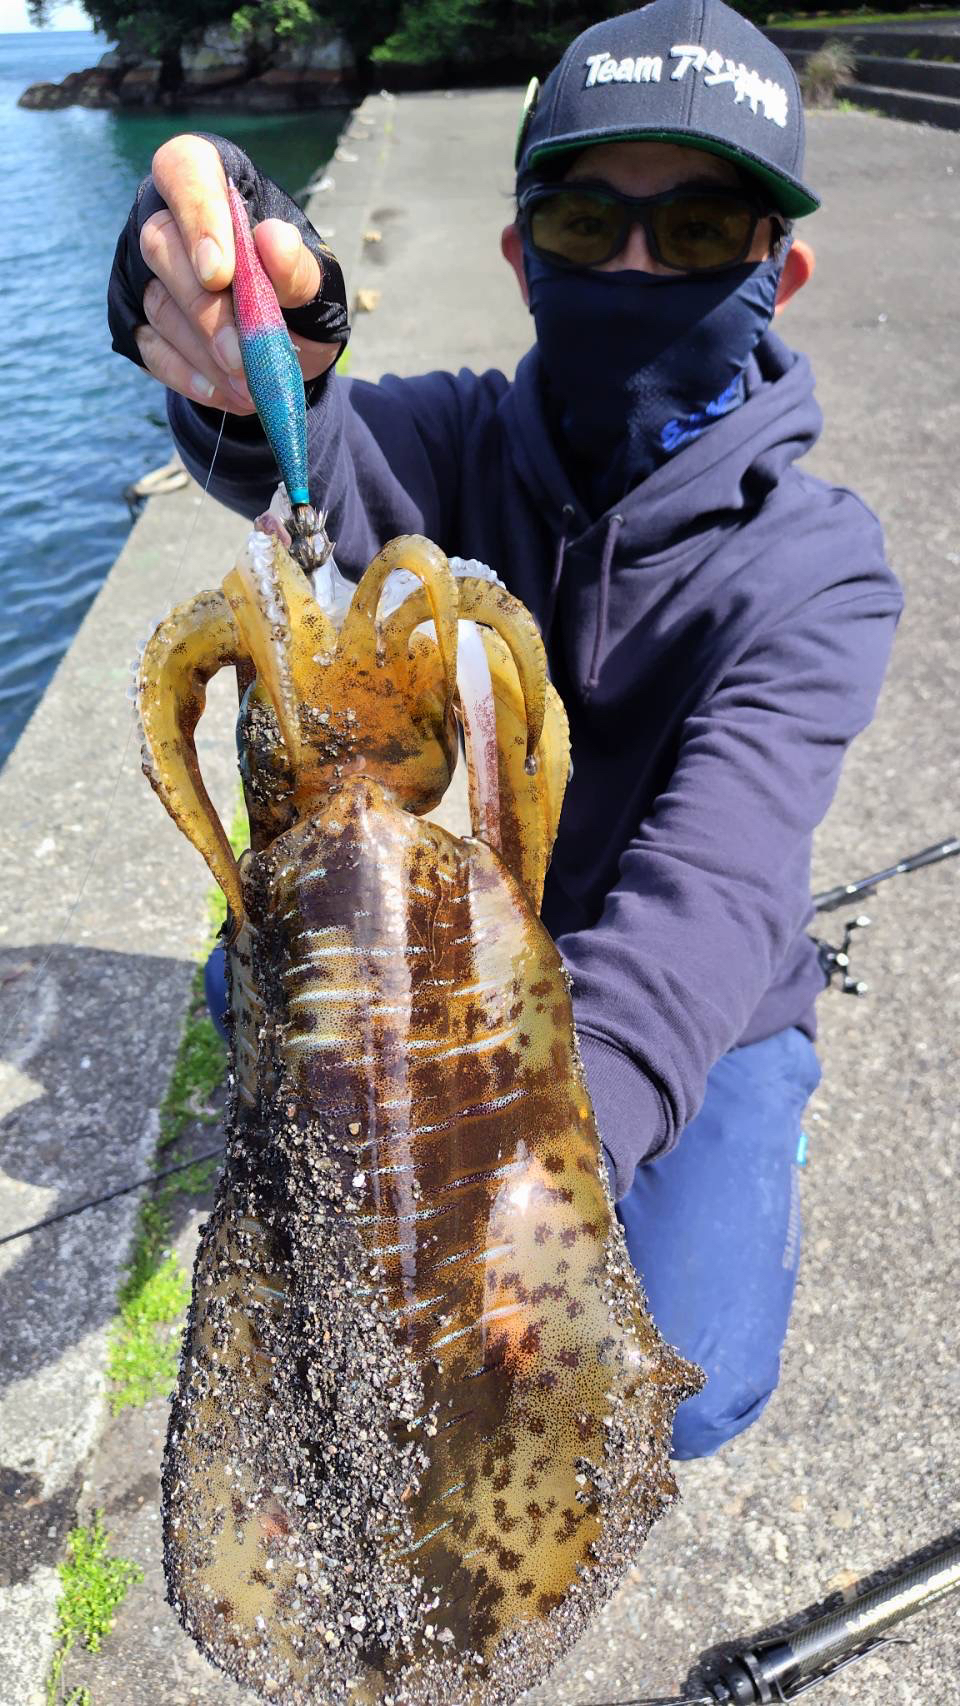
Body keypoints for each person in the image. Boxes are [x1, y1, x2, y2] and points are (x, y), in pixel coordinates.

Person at [108, 0, 901, 1459]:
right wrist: (241, 341)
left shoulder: (819, 569)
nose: (641, 263)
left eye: (704, 226)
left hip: (687, 1000)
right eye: (590, 222)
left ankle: (738, 1137)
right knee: (251, 988)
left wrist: (502, 1174)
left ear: (776, 272)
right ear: (522, 260)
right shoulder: (457, 441)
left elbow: (707, 902)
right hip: (453, 949)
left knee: (682, 1378)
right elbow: (320, 460)